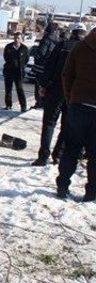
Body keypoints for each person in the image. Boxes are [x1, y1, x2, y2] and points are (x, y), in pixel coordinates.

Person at [32, 25, 88, 166]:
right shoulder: (88, 49)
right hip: (75, 94)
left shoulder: (62, 45)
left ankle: (43, 156)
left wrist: (43, 86)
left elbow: (49, 66)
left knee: (49, 123)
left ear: (72, 33)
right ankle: (58, 155)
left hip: (55, 89)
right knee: (67, 125)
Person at [57, 27, 96, 202]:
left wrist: (70, 99)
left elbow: (66, 74)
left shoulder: (80, 47)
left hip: (78, 106)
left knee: (71, 148)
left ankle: (62, 186)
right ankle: (92, 193)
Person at [32, 24, 60, 108]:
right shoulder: (58, 40)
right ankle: (44, 104)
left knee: (39, 86)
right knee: (48, 87)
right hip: (52, 69)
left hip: (42, 68)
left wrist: (36, 57)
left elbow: (41, 53)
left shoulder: (46, 39)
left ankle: (39, 103)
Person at [3, 32, 29, 112]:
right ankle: (8, 105)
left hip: (19, 72)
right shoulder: (8, 47)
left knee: (19, 88)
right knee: (8, 89)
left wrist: (20, 65)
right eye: (15, 38)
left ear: (21, 39)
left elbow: (26, 59)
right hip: (9, 71)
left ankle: (23, 106)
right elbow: (5, 57)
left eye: (18, 38)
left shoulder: (24, 48)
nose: (16, 40)